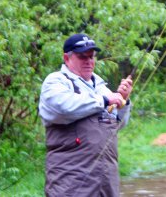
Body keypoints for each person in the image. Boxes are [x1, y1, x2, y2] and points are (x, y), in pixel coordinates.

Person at [38, 33, 133, 197]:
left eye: (91, 57)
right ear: (67, 59)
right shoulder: (56, 82)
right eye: (83, 57)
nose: (89, 61)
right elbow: (64, 107)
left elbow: (117, 124)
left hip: (107, 182)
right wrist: (104, 100)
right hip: (70, 183)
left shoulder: (101, 87)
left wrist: (123, 101)